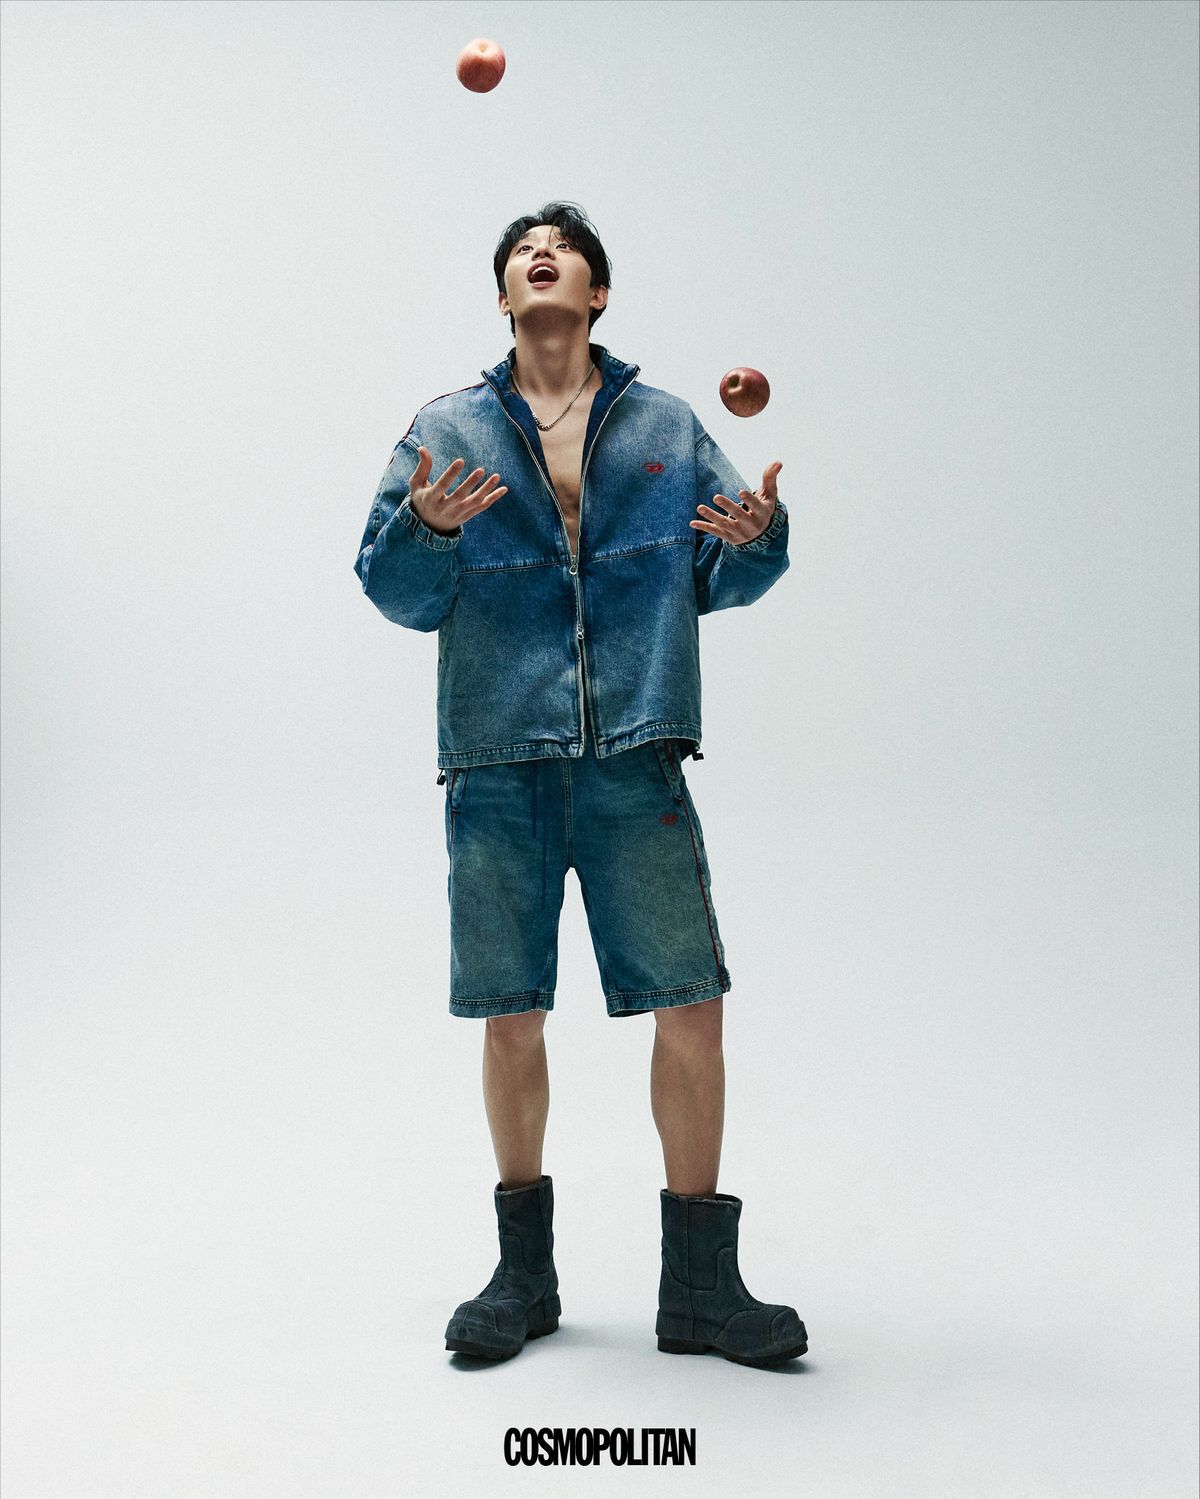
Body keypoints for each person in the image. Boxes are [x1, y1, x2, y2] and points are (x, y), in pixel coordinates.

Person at [353, 201, 807, 1369]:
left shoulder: (664, 424)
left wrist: (757, 536)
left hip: (633, 752)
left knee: (690, 1001)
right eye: (522, 252)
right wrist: (427, 529)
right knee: (511, 1011)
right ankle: (523, 1276)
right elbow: (393, 589)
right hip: (499, 756)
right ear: (505, 294)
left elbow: (717, 569)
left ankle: (701, 1288)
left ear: (596, 292)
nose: (540, 255)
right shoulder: (447, 428)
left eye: (563, 249)